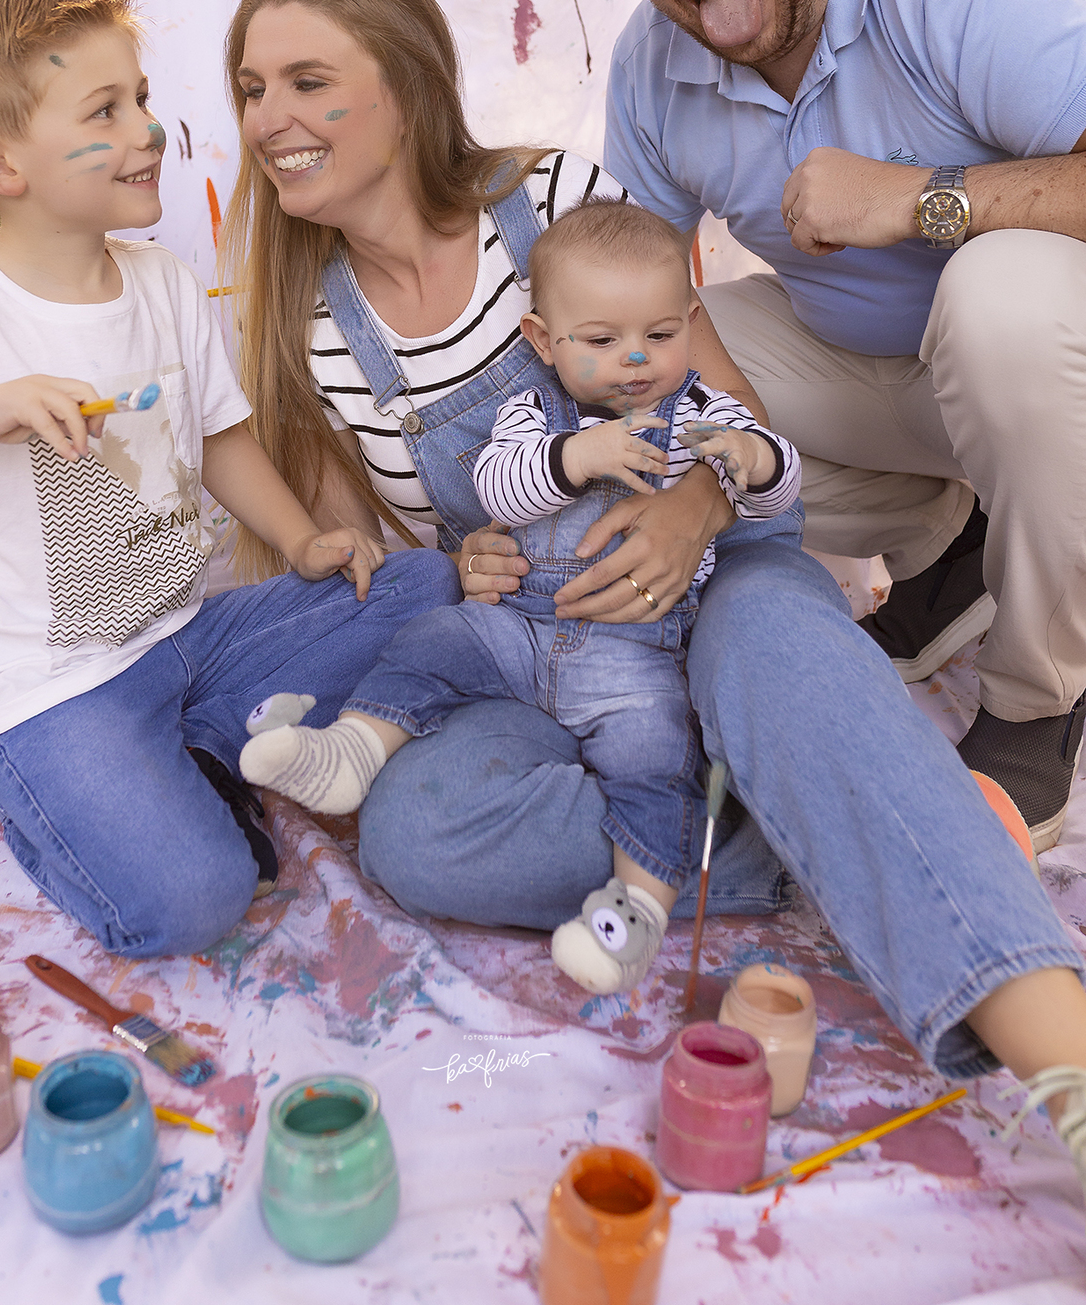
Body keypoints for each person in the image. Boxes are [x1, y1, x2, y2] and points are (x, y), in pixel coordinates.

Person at [221, 0, 1086, 1191]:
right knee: (415, 829)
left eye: (307, 80)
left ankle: (1062, 1070)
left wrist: (693, 502)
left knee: (776, 646)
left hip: (716, 566)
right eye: (253, 89)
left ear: (405, 85)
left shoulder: (554, 201)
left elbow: (742, 422)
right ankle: (835, 814)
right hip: (540, 643)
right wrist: (456, 549)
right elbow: (391, 549)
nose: (270, 121)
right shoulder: (308, 326)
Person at [0, 0, 458, 958]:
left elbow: (223, 436)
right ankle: (34, 798)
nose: (149, 129)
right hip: (49, 687)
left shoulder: (163, 283)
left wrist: (299, 539)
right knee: (196, 900)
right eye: (105, 111)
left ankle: (196, 747)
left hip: (187, 637)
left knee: (424, 583)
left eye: (142, 99)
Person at [597, 0, 1086, 853]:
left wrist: (919, 198)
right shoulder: (651, 65)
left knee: (1000, 296)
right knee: (639, 375)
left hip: (1054, 371)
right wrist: (717, 474)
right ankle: (961, 543)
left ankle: (1037, 697)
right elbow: (637, 296)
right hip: (903, 391)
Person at [238, 198, 800, 995]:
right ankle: (355, 748)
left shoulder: (703, 412)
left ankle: (634, 912)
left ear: (690, 321)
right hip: (524, 633)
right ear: (545, 340)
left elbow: (780, 489)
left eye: (661, 336)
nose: (635, 360)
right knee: (433, 641)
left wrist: (751, 460)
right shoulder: (534, 413)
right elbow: (497, 482)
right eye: (602, 342)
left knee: (656, 760)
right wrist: (577, 457)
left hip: (632, 655)